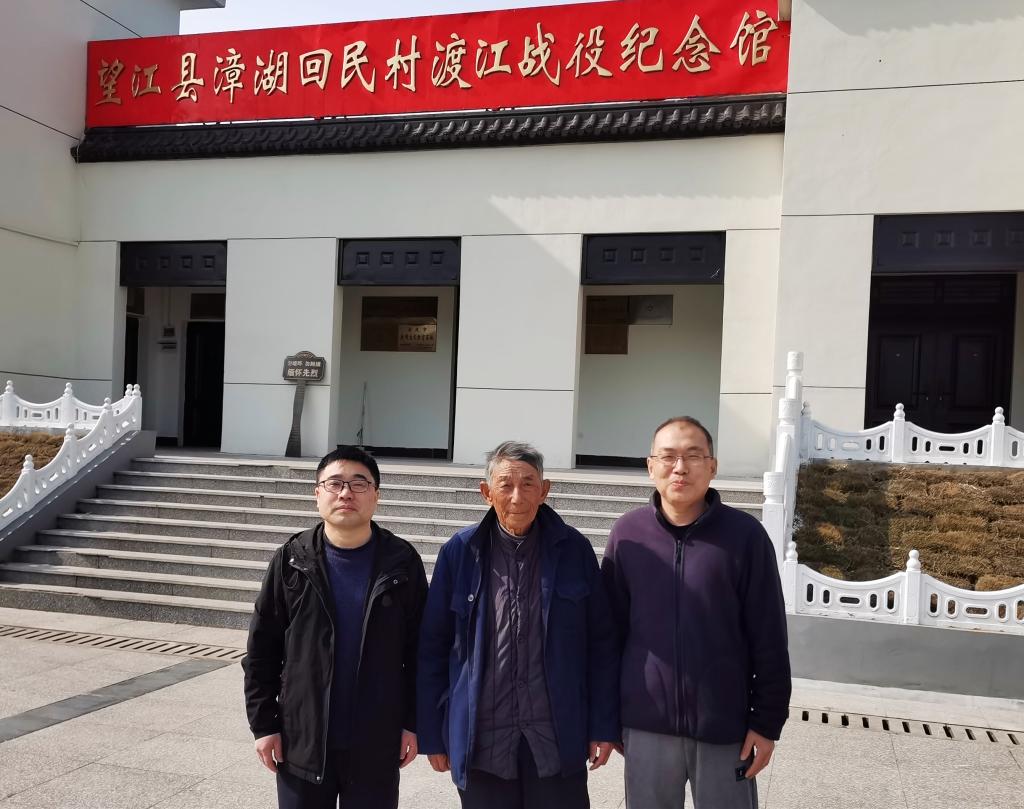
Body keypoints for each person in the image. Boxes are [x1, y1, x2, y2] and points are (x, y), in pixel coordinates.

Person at [417, 440, 619, 809]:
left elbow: (602, 644)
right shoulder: (459, 553)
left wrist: (603, 726)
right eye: (505, 484)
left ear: (544, 491)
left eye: (528, 484)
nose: (516, 496)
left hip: (555, 740)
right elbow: (433, 647)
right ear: (486, 492)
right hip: (484, 744)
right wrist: (433, 734)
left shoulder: (573, 550)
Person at [601, 417, 791, 809]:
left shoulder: (745, 537)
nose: (680, 468)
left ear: (712, 466)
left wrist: (766, 722)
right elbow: (608, 635)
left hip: (725, 727)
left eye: (693, 456)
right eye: (667, 457)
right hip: (646, 724)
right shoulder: (627, 535)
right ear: (650, 466)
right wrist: (605, 717)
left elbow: (769, 636)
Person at [243, 445, 428, 809]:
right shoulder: (292, 560)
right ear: (318, 494)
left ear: (376, 495)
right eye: (335, 484)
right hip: (302, 741)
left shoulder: (401, 561)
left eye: (359, 484)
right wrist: (264, 725)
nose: (346, 493)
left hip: (376, 742)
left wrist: (413, 721)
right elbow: (262, 650)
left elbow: (420, 651)